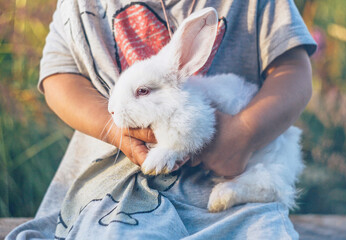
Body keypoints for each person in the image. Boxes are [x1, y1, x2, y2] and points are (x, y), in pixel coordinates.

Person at [6, 0, 316, 239]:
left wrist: (243, 134)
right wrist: (114, 131)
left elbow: (294, 72)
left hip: (237, 166)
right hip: (112, 181)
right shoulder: (83, 7)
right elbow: (59, 76)